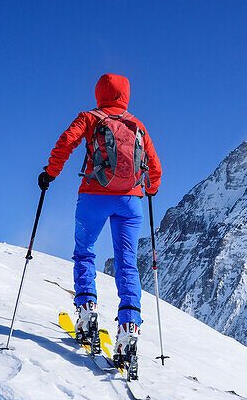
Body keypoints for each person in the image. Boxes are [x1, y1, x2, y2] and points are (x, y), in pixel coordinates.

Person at [39, 73, 162, 359]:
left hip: (94, 196)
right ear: (126, 94)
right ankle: (130, 326)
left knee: (84, 253)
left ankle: (86, 311)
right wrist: (151, 189)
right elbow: (154, 166)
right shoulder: (137, 125)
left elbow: (66, 141)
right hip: (130, 201)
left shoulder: (90, 118)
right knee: (127, 263)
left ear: (99, 93)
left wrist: (50, 173)